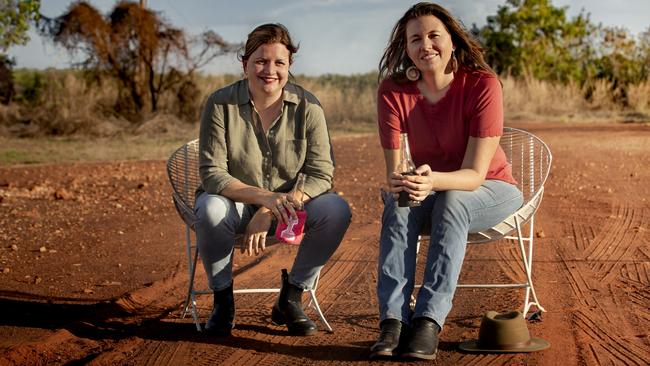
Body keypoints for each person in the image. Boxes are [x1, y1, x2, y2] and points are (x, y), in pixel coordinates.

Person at [371, 2, 524, 360]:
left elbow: (473, 175)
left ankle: (427, 321)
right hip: (432, 190)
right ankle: (393, 321)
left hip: (491, 188)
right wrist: (403, 185)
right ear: (406, 49)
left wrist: (433, 180)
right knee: (399, 202)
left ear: (452, 41)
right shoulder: (393, 91)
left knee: (453, 199)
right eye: (415, 39)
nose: (426, 45)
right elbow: (395, 173)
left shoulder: (482, 85)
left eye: (434, 36)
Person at [195, 23, 351, 337]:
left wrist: (271, 210)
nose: (270, 70)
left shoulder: (309, 107)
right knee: (210, 207)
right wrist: (264, 199)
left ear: (289, 66)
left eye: (279, 62)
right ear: (245, 64)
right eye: (261, 61)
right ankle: (223, 300)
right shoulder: (220, 104)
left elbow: (321, 173)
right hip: (234, 205)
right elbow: (213, 175)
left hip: (290, 207)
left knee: (337, 210)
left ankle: (291, 297)